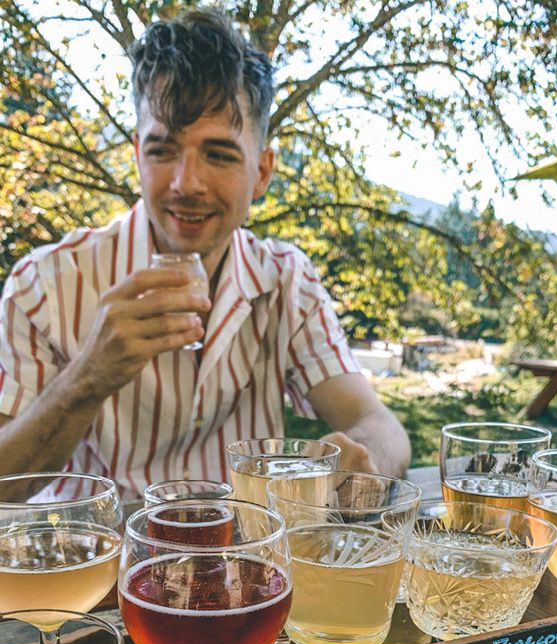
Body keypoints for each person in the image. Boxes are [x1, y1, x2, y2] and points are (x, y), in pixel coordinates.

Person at [0, 9, 410, 501]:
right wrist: (86, 378)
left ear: (261, 172)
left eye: (218, 155)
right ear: (136, 155)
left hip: (242, 563)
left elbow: (379, 424)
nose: (186, 184)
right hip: (92, 565)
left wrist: (363, 457)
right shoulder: (43, 285)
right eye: (162, 150)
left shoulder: (286, 280)